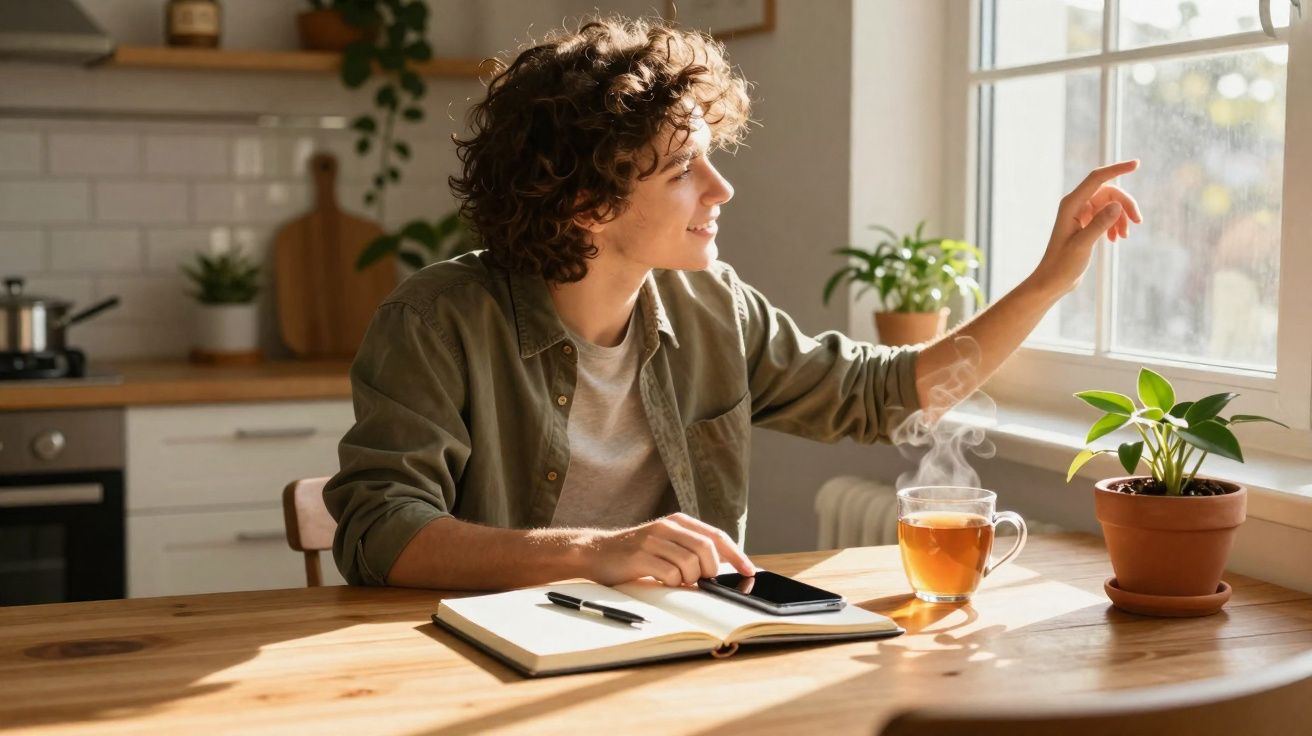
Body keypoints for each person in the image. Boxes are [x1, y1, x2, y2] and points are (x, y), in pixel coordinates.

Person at [323, 16, 1140, 591]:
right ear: (587, 202)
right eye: (684, 170)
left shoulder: (713, 303)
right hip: (484, 667)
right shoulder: (437, 322)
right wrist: (595, 552)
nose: (722, 188)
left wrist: (1050, 281)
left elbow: (880, 394)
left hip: (680, 655)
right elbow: (378, 531)